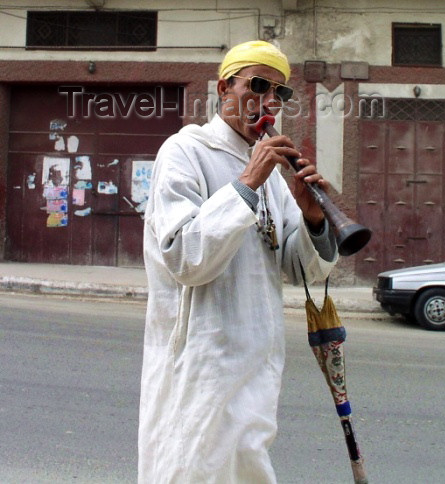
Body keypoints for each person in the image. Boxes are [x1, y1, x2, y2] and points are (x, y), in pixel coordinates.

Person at [138, 40, 339, 483]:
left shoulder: (270, 173)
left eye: (280, 94)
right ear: (223, 88)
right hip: (200, 371)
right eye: (258, 85)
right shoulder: (185, 151)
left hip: (257, 370)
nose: (269, 101)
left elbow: (301, 270)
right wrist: (248, 181)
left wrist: (313, 217)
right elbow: (185, 258)